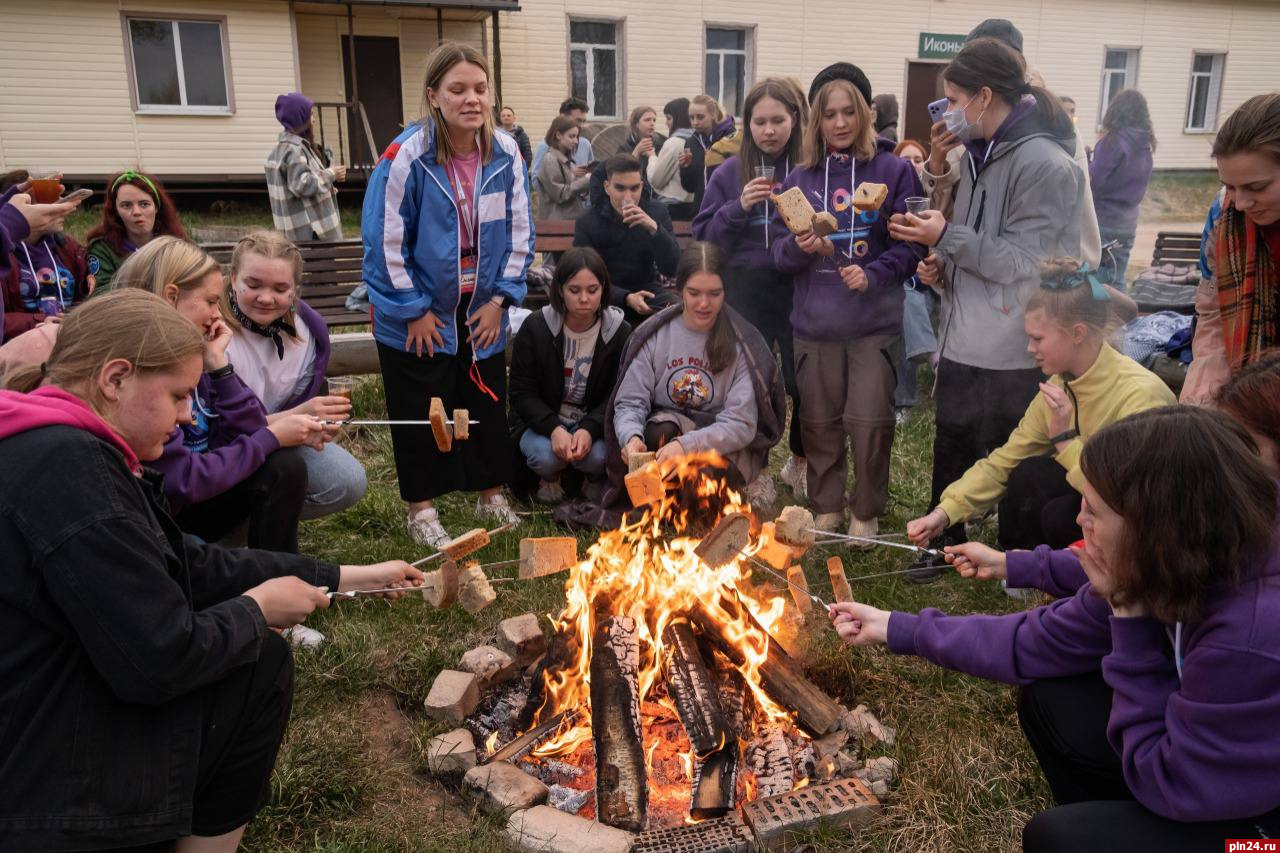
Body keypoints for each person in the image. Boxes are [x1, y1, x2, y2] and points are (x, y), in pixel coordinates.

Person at [0, 288, 423, 852]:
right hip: (35, 788)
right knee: (259, 661)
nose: (184, 417)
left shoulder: (58, 441)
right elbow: (159, 659)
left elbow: (186, 563)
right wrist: (257, 612)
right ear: (115, 378)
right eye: (178, 395)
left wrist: (346, 574)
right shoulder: (76, 477)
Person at [830, 406, 1280, 851]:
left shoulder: (1250, 636)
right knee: (1052, 699)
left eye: (1093, 513)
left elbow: (1172, 781)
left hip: (1258, 832)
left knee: (1060, 838)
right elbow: (1032, 640)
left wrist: (1130, 618)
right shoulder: (1175, 557)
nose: (1079, 524)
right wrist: (896, 627)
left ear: (1153, 527)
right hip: (1203, 769)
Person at [888, 37, 1088, 572]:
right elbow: (979, 243)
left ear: (982, 95)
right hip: (965, 333)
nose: (947, 113)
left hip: (1013, 342)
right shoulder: (980, 153)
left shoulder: (1044, 163)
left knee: (1018, 457)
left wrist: (947, 237)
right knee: (951, 442)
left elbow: (1029, 262)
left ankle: (1019, 563)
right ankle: (940, 544)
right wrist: (942, 268)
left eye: (952, 100)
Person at [363, 41, 532, 547]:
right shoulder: (405, 157)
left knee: (484, 398)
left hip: (480, 306)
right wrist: (413, 311)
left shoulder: (506, 153)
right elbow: (384, 242)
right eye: (457, 89)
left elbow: (522, 234)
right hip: (418, 310)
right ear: (434, 96)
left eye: (480, 88)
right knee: (424, 405)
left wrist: (501, 300)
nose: (472, 99)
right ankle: (423, 508)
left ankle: (490, 493)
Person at [906, 258, 1174, 565]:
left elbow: (1123, 496)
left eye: (1037, 339)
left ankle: (1077, 572)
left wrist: (1063, 438)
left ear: (1077, 333)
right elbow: (1005, 461)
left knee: (1062, 516)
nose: (1029, 348)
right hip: (1097, 494)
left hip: (1139, 525)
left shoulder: (1140, 395)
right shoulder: (1060, 384)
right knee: (1028, 473)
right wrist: (944, 513)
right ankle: (1023, 565)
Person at [770, 63, 923, 538]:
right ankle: (828, 503)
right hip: (815, 324)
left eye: (848, 112)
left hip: (873, 323)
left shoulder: (893, 171)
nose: (839, 123)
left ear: (864, 113)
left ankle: (866, 509)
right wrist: (801, 246)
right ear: (817, 120)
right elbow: (777, 253)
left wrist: (874, 272)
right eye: (829, 114)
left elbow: (914, 244)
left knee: (870, 420)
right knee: (818, 420)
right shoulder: (800, 177)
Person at [111, 237, 324, 554]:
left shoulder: (192, 352)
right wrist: (271, 436)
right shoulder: (143, 373)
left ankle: (278, 573)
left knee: (283, 466)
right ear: (171, 298)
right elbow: (180, 481)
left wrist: (219, 367)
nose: (218, 313)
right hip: (150, 520)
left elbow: (249, 429)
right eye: (212, 302)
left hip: (188, 500)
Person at [693, 77, 810, 498]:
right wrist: (739, 206)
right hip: (745, 286)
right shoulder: (728, 171)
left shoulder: (808, 169)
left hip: (798, 285)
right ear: (747, 125)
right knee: (750, 383)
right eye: (759, 121)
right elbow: (705, 236)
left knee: (803, 381)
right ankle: (754, 467)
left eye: (778, 120)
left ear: (795, 120)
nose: (769, 130)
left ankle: (800, 462)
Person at [919, 19, 1100, 269]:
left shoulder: (1049, 142)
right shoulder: (970, 134)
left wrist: (1072, 280)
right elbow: (958, 221)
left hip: (1021, 300)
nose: (950, 110)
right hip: (971, 288)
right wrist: (937, 164)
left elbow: (1033, 258)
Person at [612, 242, 785, 492]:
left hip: (717, 444)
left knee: (703, 482)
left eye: (714, 294)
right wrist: (631, 437)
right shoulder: (656, 335)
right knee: (657, 433)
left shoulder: (742, 343)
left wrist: (687, 446)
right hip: (666, 437)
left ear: (725, 292)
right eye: (694, 293)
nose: (704, 304)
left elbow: (741, 423)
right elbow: (630, 401)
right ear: (680, 289)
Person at [223, 230, 368, 521]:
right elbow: (218, 430)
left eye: (280, 289)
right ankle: (224, 530)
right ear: (233, 278)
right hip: (220, 447)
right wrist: (298, 416)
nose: (266, 298)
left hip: (276, 440)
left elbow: (295, 403)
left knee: (348, 480)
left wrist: (311, 425)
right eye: (253, 284)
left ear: (294, 290)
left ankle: (256, 521)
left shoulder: (308, 331)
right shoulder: (214, 331)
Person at [509, 247, 631, 502]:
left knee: (598, 456)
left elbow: (616, 393)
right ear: (560, 290)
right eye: (574, 290)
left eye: (592, 290)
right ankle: (550, 477)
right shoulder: (536, 327)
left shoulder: (619, 332)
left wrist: (589, 428)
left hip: (590, 421)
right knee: (545, 456)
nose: (584, 299)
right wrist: (554, 428)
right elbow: (521, 393)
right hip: (544, 422)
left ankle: (589, 478)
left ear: (604, 289)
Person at [1181, 93, 1280, 404]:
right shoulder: (1223, 217)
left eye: (1257, 187)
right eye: (1230, 187)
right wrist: (1200, 398)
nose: (1241, 203)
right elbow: (1213, 310)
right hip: (1248, 385)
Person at [574, 154, 680, 325]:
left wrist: (654, 229)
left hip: (648, 290)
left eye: (634, 188)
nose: (628, 197)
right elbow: (585, 276)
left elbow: (672, 268)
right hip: (604, 294)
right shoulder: (588, 221)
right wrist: (626, 297)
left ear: (642, 186)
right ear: (607, 187)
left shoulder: (656, 212)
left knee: (679, 310)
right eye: (620, 188)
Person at [890, 138, 938, 422]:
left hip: (938, 284)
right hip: (907, 287)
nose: (912, 165)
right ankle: (933, 361)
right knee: (906, 305)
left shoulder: (939, 197)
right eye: (905, 160)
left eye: (918, 160)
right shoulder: (892, 204)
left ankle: (906, 401)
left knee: (912, 306)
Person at [1090, 89, 1155, 288]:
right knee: (1117, 279)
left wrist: (1086, 161)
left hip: (1103, 220)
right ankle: (1121, 318)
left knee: (1096, 283)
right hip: (1128, 223)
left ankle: (1103, 319)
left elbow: (1095, 180)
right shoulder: (1146, 145)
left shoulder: (1112, 142)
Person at [85, 170, 188, 291]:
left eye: (144, 204)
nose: (137, 212)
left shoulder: (177, 244)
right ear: (116, 212)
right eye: (126, 205)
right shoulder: (103, 249)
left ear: (156, 207)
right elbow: (101, 294)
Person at [265, 92, 347, 243]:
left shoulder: (278, 151)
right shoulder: (294, 150)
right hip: (312, 236)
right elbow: (302, 184)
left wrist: (326, 189)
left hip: (294, 235)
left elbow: (295, 186)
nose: (314, 120)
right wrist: (331, 174)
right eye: (310, 115)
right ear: (299, 118)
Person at [1, 204, 89, 340]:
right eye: (50, 204)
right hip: (22, 345)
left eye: (60, 202)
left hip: (71, 336)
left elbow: (92, 291)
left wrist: (78, 319)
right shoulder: (4, 253)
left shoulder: (66, 246)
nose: (62, 209)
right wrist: (39, 321)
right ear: (20, 210)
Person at [684, 94, 739, 212]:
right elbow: (689, 187)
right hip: (702, 209)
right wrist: (685, 167)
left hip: (727, 208)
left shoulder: (732, 138)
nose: (695, 122)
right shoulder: (692, 142)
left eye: (700, 117)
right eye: (691, 118)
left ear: (713, 114)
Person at [534, 115, 592, 219]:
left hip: (566, 222)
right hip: (557, 225)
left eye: (577, 137)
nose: (576, 141)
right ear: (558, 135)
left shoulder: (563, 160)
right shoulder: (550, 160)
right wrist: (586, 180)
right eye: (571, 136)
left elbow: (569, 188)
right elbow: (560, 194)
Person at [649, 97, 697, 220]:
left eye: (669, 118)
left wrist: (651, 157)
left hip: (672, 208)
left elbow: (657, 181)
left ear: (678, 119)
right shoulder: (699, 141)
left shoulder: (674, 143)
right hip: (695, 206)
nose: (666, 123)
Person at [531, 96, 593, 178]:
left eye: (583, 121)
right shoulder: (546, 145)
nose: (581, 126)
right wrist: (569, 174)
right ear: (562, 118)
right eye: (577, 120)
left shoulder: (586, 144)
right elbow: (536, 179)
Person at [622, 105, 660, 173]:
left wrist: (652, 156)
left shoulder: (661, 145)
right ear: (636, 124)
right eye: (647, 120)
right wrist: (636, 152)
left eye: (654, 120)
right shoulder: (624, 148)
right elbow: (621, 173)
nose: (652, 123)